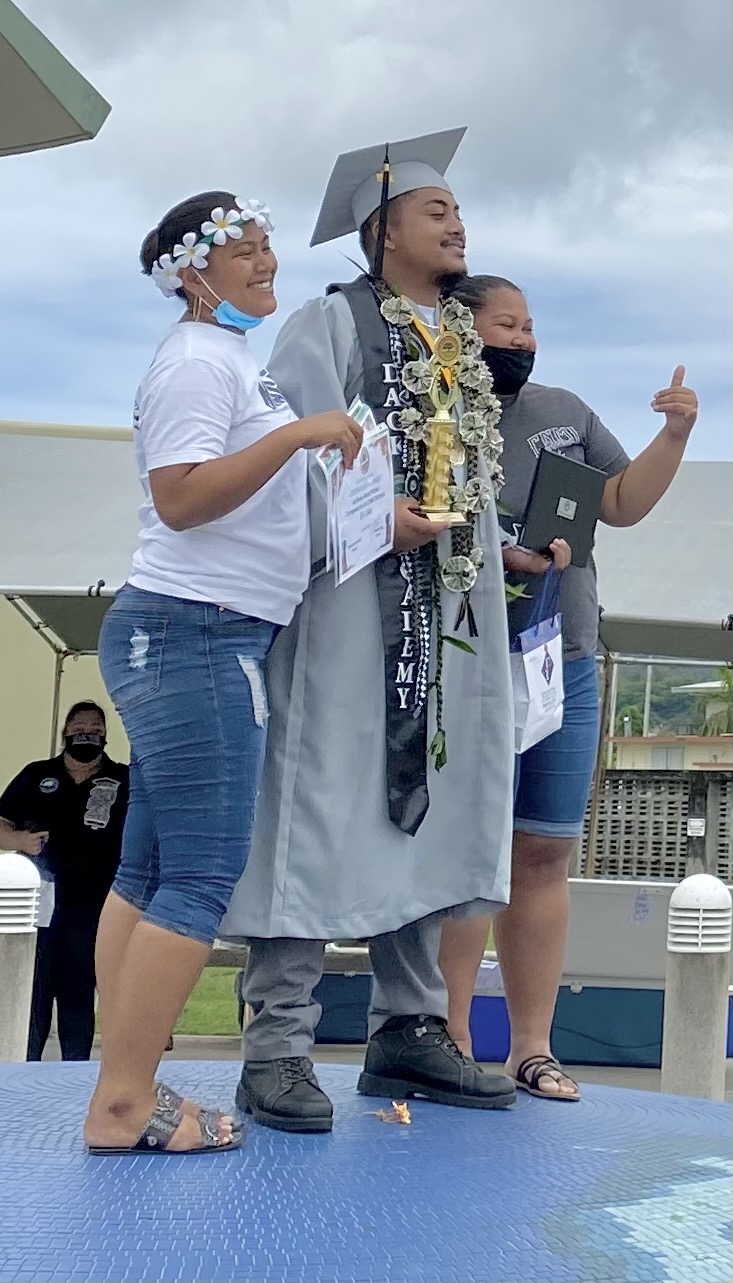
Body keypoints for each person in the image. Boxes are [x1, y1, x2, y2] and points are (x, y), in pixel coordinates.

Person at [221, 129, 517, 1132]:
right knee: (322, 799)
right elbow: (290, 449)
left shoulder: (457, 341)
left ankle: (408, 1028)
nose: (457, 224)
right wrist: (368, 515)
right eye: (436, 211)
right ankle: (276, 1045)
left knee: (425, 799)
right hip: (349, 605)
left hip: (446, 616)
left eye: (459, 210)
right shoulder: (330, 321)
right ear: (383, 229)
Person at [82, 189, 362, 1157]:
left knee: (150, 870)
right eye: (243, 249)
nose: (266, 260)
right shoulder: (199, 360)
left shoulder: (226, 359)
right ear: (192, 272)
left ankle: (122, 1078)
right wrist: (296, 434)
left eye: (267, 245)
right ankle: (123, 1101)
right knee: (199, 876)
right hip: (197, 633)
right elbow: (182, 495)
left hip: (194, 632)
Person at [438, 274, 699, 1100]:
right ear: (460, 330)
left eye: (527, 326)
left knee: (544, 850)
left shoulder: (565, 411)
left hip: (564, 659)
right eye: (504, 324)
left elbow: (619, 502)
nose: (521, 338)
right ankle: (445, 1038)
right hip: (466, 660)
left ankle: (531, 1046)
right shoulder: (429, 415)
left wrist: (673, 435)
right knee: (469, 853)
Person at [0, 701, 127, 1061]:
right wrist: (20, 841)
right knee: (33, 1000)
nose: (87, 734)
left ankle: (75, 1080)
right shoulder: (36, 774)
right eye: (79, 727)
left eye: (96, 729)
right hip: (40, 910)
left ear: (106, 735)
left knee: (78, 1002)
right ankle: (24, 1077)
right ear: (65, 731)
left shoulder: (123, 779)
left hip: (95, 910)